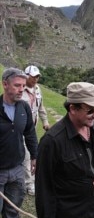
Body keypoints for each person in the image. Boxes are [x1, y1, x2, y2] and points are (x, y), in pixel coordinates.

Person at [35, 82, 94, 218]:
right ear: (72, 108)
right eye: (90, 110)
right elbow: (43, 184)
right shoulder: (52, 141)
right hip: (66, 211)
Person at [0, 67, 38, 218]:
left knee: (13, 210)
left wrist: (35, 156)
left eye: (23, 86)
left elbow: (30, 133)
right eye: (17, 85)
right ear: (5, 85)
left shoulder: (23, 107)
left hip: (17, 170)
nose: (21, 89)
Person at [22, 65, 50, 196]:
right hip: (20, 129)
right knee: (28, 156)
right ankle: (29, 183)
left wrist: (45, 121)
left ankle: (26, 180)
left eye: (37, 76)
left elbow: (41, 107)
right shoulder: (20, 89)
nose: (36, 79)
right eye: (33, 77)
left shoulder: (38, 90)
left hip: (32, 129)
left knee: (31, 154)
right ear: (26, 75)